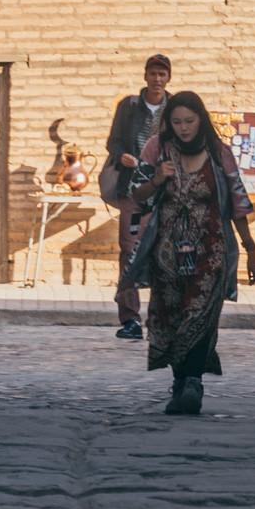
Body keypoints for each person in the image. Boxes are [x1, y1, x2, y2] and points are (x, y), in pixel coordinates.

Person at [125, 90, 255, 415]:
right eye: (177, 122)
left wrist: (249, 245)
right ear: (169, 123)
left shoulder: (218, 152)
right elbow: (136, 195)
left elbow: (237, 200)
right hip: (166, 252)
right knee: (171, 318)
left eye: (189, 121)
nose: (184, 128)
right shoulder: (157, 149)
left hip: (210, 251)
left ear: (201, 120)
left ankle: (193, 382)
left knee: (199, 316)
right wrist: (157, 178)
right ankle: (180, 382)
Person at [104, 54, 171, 340]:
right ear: (145, 76)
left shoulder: (175, 108)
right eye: (152, 73)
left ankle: (162, 319)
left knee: (166, 254)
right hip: (133, 191)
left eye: (162, 74)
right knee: (130, 251)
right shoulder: (129, 107)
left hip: (165, 192)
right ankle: (130, 319)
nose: (157, 79)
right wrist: (123, 156)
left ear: (168, 78)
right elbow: (113, 141)